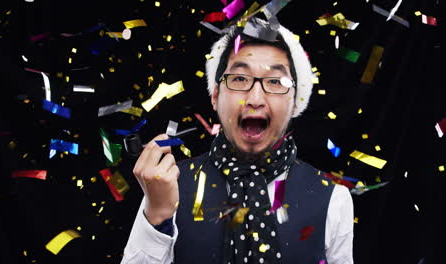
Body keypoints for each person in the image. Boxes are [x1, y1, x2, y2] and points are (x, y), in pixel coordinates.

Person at [121, 17, 354, 264]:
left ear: (295, 101)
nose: (255, 98)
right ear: (215, 96)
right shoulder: (168, 186)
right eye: (240, 79)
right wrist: (157, 215)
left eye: (275, 82)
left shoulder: (332, 198)